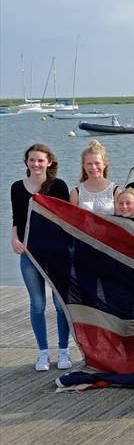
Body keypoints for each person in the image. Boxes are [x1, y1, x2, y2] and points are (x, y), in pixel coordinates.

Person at [10, 144, 72, 371]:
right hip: (29, 253)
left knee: (59, 304)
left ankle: (64, 352)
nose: (36, 164)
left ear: (49, 162)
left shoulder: (58, 186)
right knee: (37, 304)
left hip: (56, 254)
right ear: (26, 162)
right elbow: (17, 218)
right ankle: (43, 354)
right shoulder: (17, 187)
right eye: (32, 160)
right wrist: (14, 240)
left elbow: (65, 219)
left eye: (40, 160)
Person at [69, 139, 118, 215]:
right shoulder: (75, 193)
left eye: (97, 163)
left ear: (104, 164)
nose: (93, 167)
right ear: (84, 166)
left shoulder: (115, 191)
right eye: (89, 164)